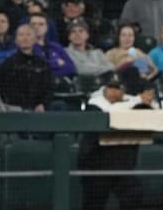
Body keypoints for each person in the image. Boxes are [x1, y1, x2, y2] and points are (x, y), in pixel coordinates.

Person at [78, 79, 146, 210]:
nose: (114, 92)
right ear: (104, 89)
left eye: (118, 88)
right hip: (96, 165)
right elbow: (109, 114)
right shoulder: (95, 104)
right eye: (111, 88)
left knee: (133, 193)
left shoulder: (129, 102)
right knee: (94, 202)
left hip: (121, 165)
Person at [0, 24, 54, 111]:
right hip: (15, 110)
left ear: (35, 39)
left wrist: (43, 104)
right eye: (21, 35)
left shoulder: (43, 64)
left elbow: (49, 88)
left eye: (28, 35)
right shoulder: (8, 64)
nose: (25, 38)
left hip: (39, 110)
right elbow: (5, 91)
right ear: (16, 40)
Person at [29, 13, 76, 78]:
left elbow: (71, 69)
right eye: (33, 24)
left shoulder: (56, 47)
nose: (37, 27)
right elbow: (36, 72)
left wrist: (48, 67)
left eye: (41, 24)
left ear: (47, 27)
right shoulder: (26, 48)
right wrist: (57, 63)